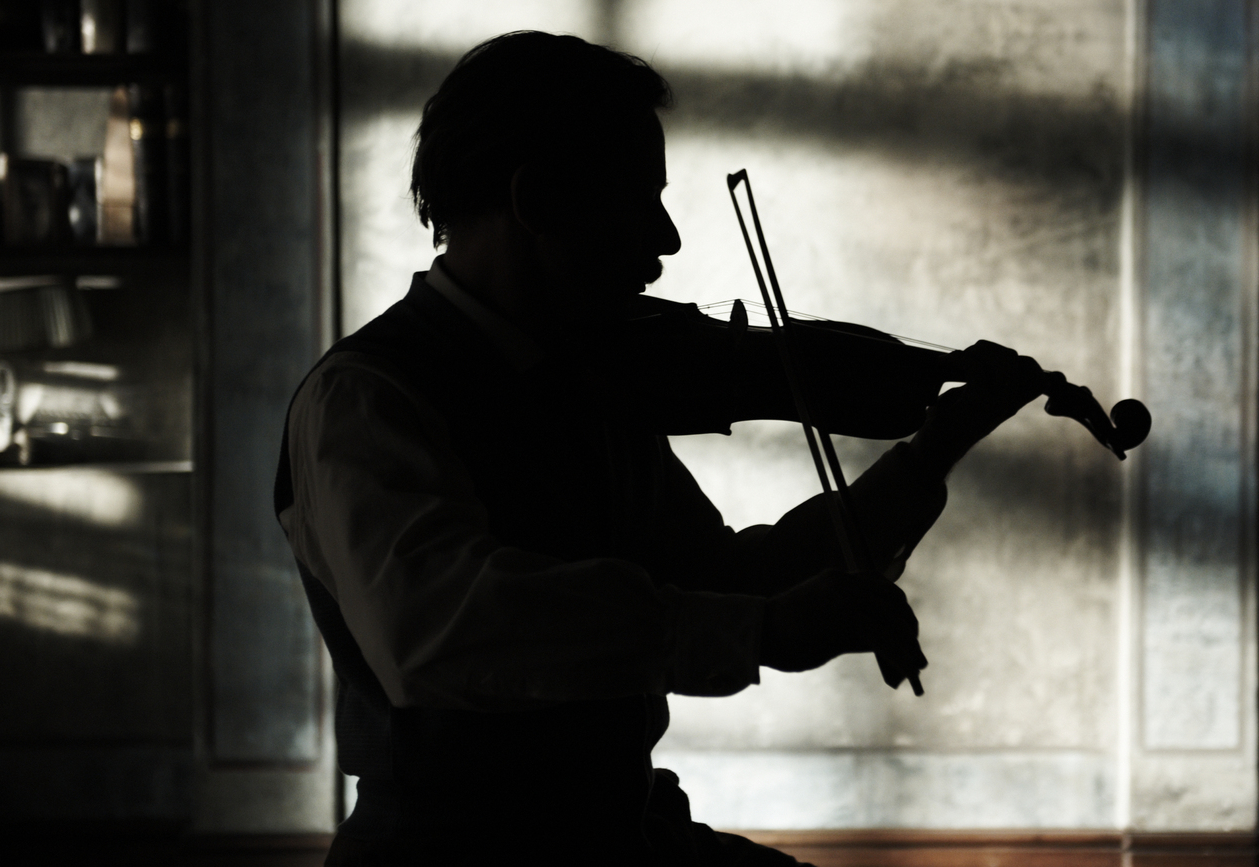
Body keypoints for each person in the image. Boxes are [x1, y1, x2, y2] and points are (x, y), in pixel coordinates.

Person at [275, 31, 1049, 866]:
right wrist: (762, 630)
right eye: (637, 199)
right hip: (448, 854)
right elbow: (442, 630)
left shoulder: (588, 379)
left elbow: (731, 578)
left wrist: (933, 451)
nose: (667, 240)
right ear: (535, 200)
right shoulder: (366, 397)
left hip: (619, 832)